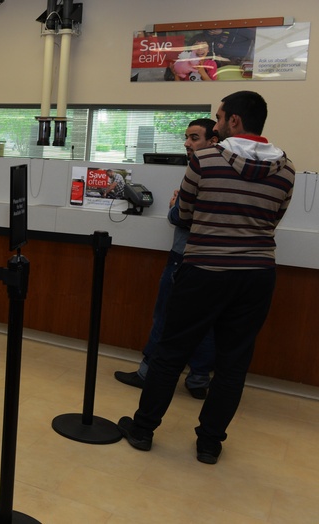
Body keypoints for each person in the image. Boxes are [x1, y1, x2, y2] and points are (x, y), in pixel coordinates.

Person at [118, 91, 295, 464]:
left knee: (170, 353)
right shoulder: (287, 169)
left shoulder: (205, 159)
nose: (214, 125)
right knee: (233, 364)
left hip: (204, 270)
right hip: (257, 275)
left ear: (233, 121)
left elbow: (183, 214)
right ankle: (209, 443)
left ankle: (144, 428)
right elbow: (272, 221)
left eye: (218, 118)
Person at [115, 119, 219, 399]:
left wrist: (175, 206)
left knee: (165, 316)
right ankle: (198, 380)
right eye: (186, 137)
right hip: (213, 264)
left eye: (195, 138)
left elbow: (181, 218)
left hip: (183, 259)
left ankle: (147, 373)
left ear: (213, 141)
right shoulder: (220, 171)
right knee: (205, 322)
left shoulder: (199, 171)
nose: (187, 143)